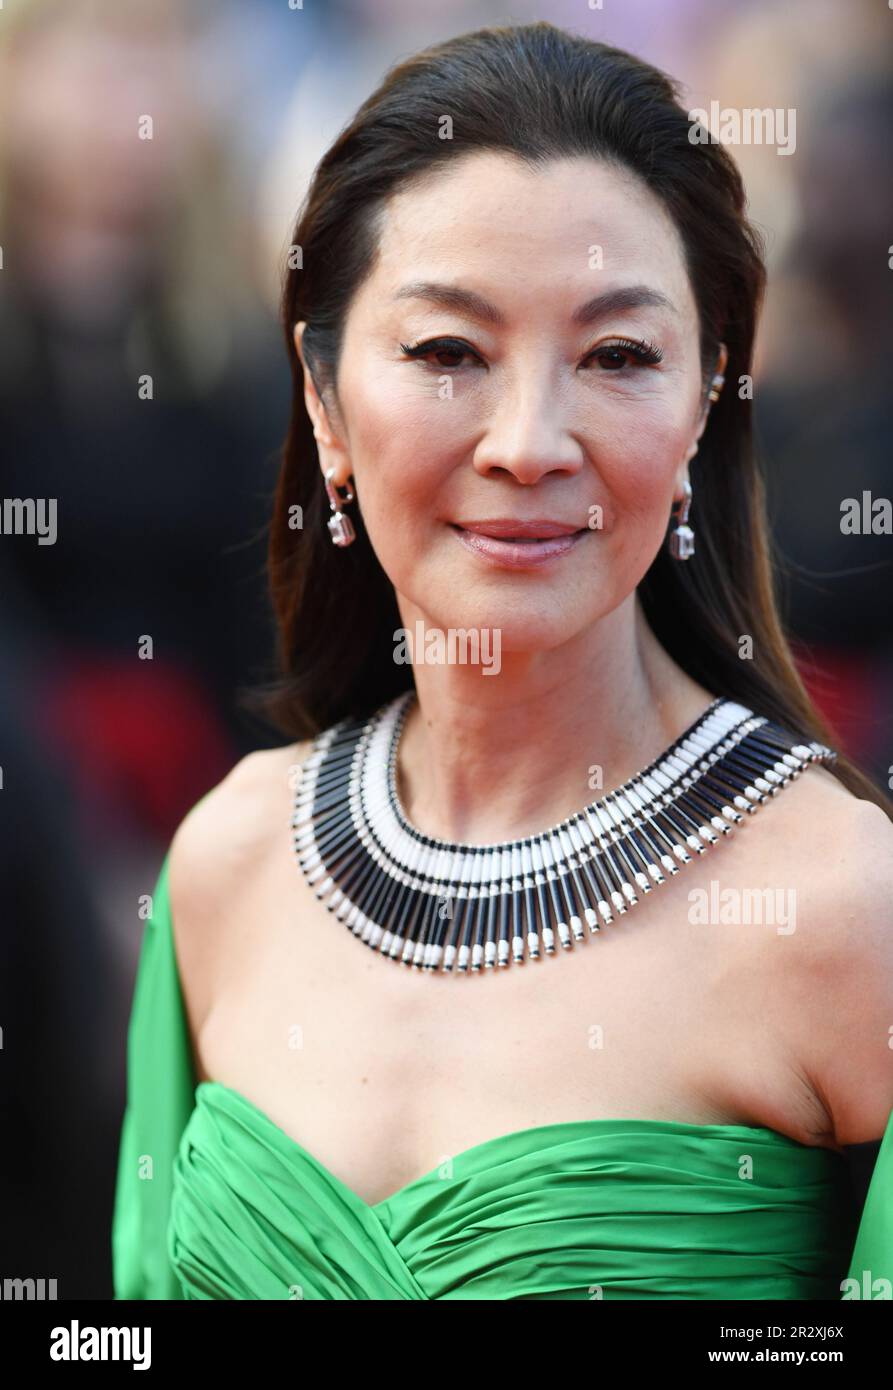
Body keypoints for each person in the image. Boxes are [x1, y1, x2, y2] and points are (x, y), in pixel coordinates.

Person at [112, 22, 893, 1301]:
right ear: (323, 405)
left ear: (704, 403)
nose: (528, 442)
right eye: (445, 352)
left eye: (618, 356)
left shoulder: (838, 904)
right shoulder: (225, 863)